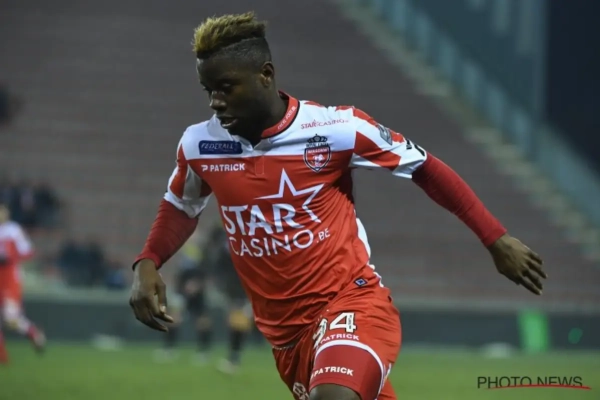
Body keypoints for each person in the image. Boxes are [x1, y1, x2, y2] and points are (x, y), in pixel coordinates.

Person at [129, 12, 547, 400]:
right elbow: (180, 206)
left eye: (226, 87)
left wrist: (495, 238)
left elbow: (425, 168)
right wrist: (148, 261)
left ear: (265, 75)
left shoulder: (336, 129)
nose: (215, 102)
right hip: (287, 339)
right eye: (208, 91)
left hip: (352, 304)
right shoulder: (200, 145)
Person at [156, 230, 213, 364]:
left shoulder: (204, 254)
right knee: (173, 318)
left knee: (202, 321)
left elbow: (206, 272)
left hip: (198, 293)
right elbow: (179, 272)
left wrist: (197, 285)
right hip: (181, 291)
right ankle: (169, 349)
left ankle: (203, 351)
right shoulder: (182, 252)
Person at [0, 202, 45, 363]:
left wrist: (10, 257)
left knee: (11, 318)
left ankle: (33, 332)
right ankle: (2, 356)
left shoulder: (13, 230)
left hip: (9, 279)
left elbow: (27, 251)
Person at [206, 224, 253, 374]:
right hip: (237, 288)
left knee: (238, 321)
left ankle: (234, 358)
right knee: (237, 321)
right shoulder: (230, 244)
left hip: (242, 288)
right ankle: (234, 358)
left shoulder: (239, 243)